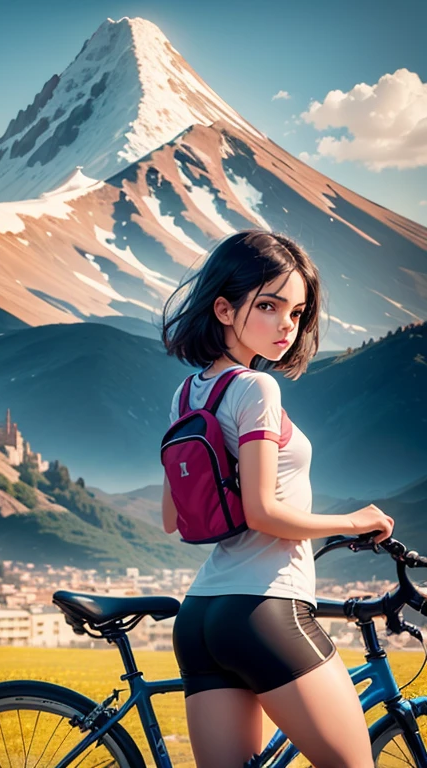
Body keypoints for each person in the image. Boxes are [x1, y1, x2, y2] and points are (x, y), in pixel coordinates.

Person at [160, 230, 394, 768]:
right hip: (265, 610)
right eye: (268, 306)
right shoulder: (257, 389)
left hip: (200, 618)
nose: (286, 326)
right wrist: (355, 521)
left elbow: (173, 519)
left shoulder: (185, 395)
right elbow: (264, 513)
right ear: (223, 307)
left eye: (297, 312)